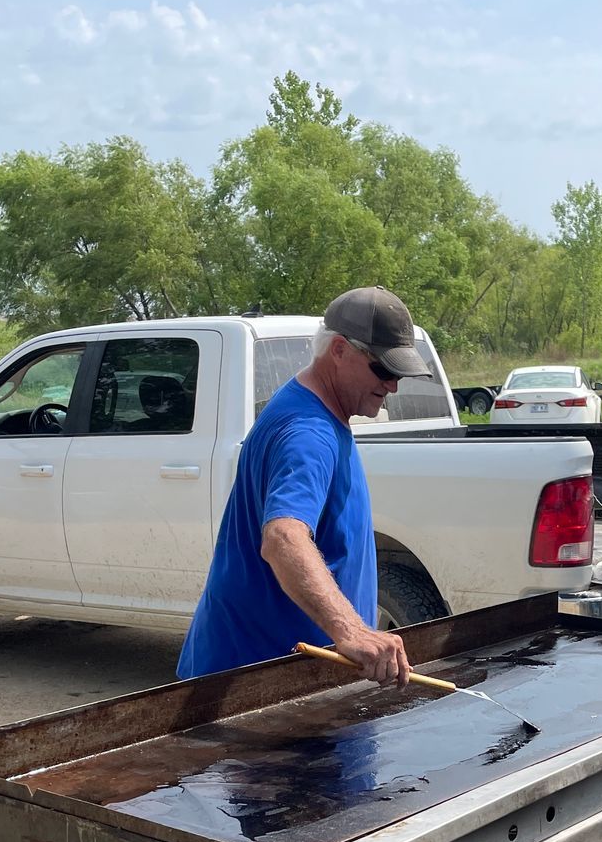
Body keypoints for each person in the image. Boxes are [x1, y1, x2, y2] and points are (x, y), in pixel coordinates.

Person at [177, 287, 427, 683]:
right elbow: (282, 538)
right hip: (254, 684)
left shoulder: (317, 412)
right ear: (340, 350)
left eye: (398, 373)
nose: (392, 386)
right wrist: (352, 630)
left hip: (279, 674)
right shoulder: (308, 432)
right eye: (383, 370)